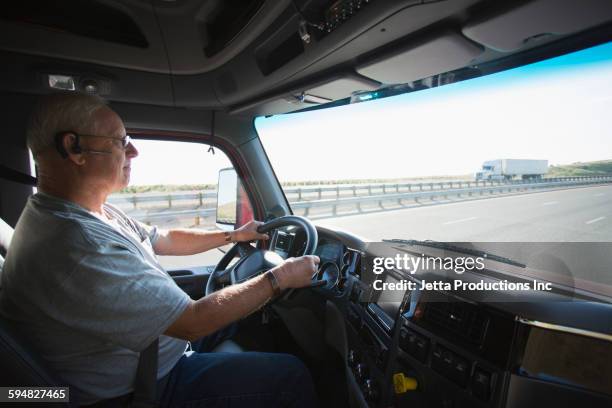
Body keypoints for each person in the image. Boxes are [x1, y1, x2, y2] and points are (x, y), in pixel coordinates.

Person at [0, 92, 320, 407]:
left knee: (242, 321)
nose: (134, 151)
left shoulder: (87, 211)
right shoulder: (75, 245)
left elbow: (162, 238)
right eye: (121, 141)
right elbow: (191, 322)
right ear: (74, 148)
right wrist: (281, 277)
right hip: (140, 387)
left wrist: (233, 236)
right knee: (290, 376)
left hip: (152, 353)